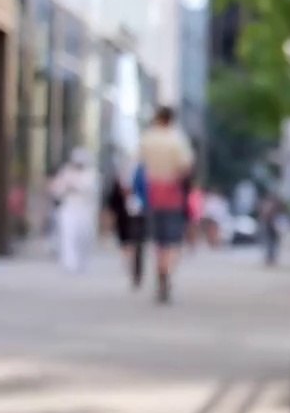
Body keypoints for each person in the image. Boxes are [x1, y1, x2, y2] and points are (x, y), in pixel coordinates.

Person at [137, 106, 194, 303]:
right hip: (173, 191)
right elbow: (186, 166)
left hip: (153, 191)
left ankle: (160, 268)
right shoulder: (177, 139)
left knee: (159, 239)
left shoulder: (148, 138)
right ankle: (166, 270)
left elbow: (138, 163)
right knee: (172, 239)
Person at [48, 147, 100, 274]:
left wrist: (74, 185)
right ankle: (70, 263)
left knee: (84, 236)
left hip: (85, 210)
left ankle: (82, 262)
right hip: (69, 209)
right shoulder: (65, 172)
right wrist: (64, 185)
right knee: (68, 236)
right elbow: (56, 190)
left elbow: (90, 190)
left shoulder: (91, 174)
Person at [104, 160, 146, 288]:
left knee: (136, 242)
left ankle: (134, 266)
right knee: (126, 241)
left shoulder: (142, 175)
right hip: (123, 216)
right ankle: (129, 262)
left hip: (138, 213)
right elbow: (112, 200)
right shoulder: (118, 181)